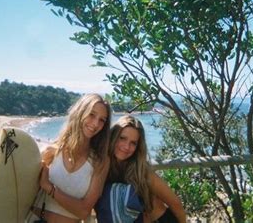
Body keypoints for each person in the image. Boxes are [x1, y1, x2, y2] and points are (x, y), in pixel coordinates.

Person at [32, 93, 112, 223]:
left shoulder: (100, 162)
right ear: (80, 112)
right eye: (92, 114)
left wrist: (50, 188)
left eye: (102, 120)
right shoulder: (51, 152)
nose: (96, 123)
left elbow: (84, 211)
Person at [95, 115, 186, 223]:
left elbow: (175, 203)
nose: (126, 147)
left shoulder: (141, 171)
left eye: (133, 143)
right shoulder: (100, 166)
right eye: (122, 138)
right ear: (113, 136)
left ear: (138, 147)